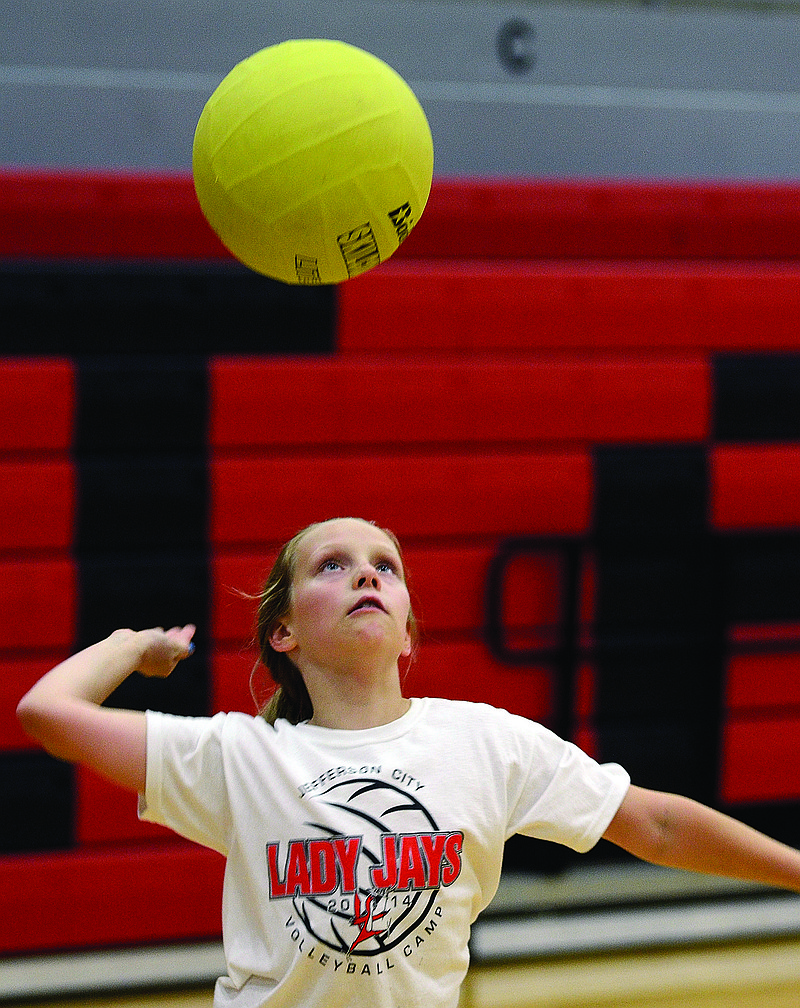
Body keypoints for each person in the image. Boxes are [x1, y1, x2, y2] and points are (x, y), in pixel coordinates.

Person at [16, 516, 800, 1008]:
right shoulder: (238, 756)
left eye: (383, 566)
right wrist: (132, 647)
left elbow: (657, 825)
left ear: (408, 636)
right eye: (331, 565)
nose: (364, 573)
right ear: (282, 633)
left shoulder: (487, 742)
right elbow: (49, 715)